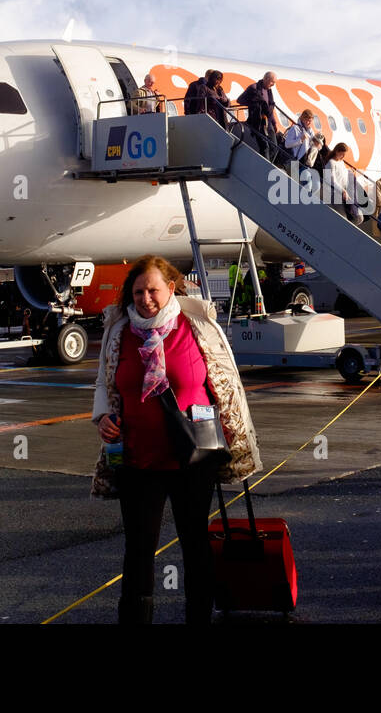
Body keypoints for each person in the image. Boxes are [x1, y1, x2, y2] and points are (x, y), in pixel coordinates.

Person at [91, 255, 262, 624]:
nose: (145, 298)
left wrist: (236, 440)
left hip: (192, 458)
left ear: (171, 288)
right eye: (138, 292)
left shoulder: (198, 325)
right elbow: (105, 384)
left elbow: (226, 385)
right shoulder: (119, 330)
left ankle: (199, 618)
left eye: (152, 289)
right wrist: (103, 418)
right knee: (138, 548)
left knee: (194, 542)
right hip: (138, 459)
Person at [237, 70, 280, 157]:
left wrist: (275, 123)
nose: (273, 85)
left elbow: (269, 109)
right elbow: (240, 100)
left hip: (268, 122)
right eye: (272, 82)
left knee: (275, 148)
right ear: (266, 79)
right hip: (258, 122)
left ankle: (268, 166)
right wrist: (253, 104)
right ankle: (266, 168)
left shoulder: (269, 91)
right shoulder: (254, 88)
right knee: (265, 147)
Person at [323, 144, 361, 222]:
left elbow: (343, 175)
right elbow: (331, 180)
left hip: (344, 193)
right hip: (334, 194)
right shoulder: (331, 163)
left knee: (359, 218)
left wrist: (350, 172)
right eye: (342, 154)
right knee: (344, 220)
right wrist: (343, 191)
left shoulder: (341, 162)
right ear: (337, 151)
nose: (343, 156)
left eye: (344, 155)